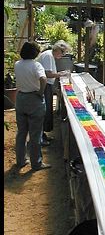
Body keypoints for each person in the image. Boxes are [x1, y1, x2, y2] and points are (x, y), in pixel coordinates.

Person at [14, 41, 51, 171]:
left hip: (20, 98)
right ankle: (36, 163)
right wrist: (41, 92)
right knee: (35, 134)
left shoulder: (17, 64)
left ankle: (21, 160)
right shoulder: (36, 65)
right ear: (35, 53)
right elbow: (43, 79)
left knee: (21, 132)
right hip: (34, 99)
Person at [37, 40, 71, 146]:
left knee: (47, 110)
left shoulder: (50, 55)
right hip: (43, 85)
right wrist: (61, 74)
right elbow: (48, 74)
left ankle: (42, 135)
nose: (62, 55)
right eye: (62, 53)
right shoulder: (48, 56)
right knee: (44, 110)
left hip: (47, 85)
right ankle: (40, 137)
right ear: (57, 50)